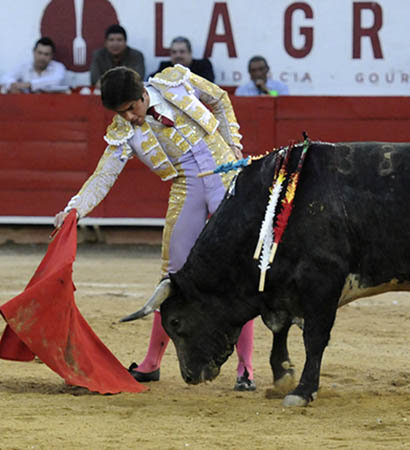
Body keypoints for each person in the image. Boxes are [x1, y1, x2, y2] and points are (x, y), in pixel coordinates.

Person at [53, 65, 256, 391]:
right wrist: (73, 209)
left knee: (241, 273)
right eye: (121, 112)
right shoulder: (123, 130)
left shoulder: (175, 82)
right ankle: (151, 364)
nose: (130, 117)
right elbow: (103, 175)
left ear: (142, 94)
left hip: (226, 179)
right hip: (186, 189)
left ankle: (246, 369)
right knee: (172, 276)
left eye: (131, 108)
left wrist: (234, 143)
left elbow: (219, 99)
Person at [0, 37, 66, 94]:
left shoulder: (58, 67)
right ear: (34, 52)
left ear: (52, 55)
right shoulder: (24, 66)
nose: (42, 57)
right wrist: (12, 85)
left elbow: (57, 81)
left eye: (46, 54)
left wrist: (29, 84)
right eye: (39, 53)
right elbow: (4, 78)